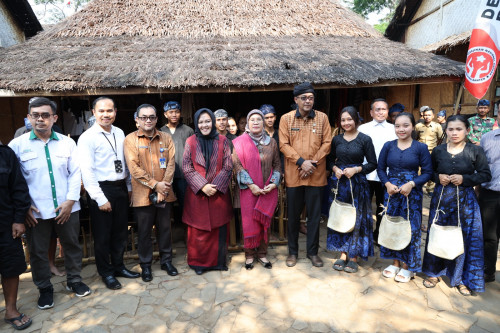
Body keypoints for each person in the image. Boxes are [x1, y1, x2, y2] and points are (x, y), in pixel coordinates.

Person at [9, 97, 91, 310]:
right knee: (37, 251)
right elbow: (12, 180)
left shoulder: (67, 142)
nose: (40, 119)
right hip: (35, 211)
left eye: (45, 115)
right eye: (35, 115)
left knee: (72, 245)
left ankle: (74, 280)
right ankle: (45, 289)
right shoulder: (16, 146)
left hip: (67, 207)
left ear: (54, 118)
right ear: (28, 118)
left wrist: (70, 200)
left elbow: (75, 174)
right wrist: (23, 206)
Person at [422, 115, 491, 296]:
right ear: (446, 131)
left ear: (467, 130)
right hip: (442, 199)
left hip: (465, 201)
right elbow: (430, 172)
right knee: (439, 234)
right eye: (451, 129)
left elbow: (485, 175)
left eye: (459, 129)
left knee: (463, 238)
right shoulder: (438, 151)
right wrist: (438, 178)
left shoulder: (475, 151)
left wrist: (465, 179)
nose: (454, 133)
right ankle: (435, 273)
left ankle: (461, 278)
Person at [78, 97, 140, 290]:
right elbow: (86, 172)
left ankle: (119, 266)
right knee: (103, 235)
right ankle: (106, 272)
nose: (106, 114)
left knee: (120, 232)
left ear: (115, 112)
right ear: (93, 112)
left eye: (110, 111)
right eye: (101, 111)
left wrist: (129, 187)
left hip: (120, 187)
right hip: (101, 189)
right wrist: (100, 198)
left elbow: (126, 163)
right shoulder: (87, 137)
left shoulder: (120, 132)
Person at [279, 82, 332, 268]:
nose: (308, 101)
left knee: (314, 217)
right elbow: (283, 145)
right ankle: (292, 252)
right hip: (295, 175)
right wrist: (302, 162)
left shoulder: (322, 118)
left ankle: (312, 252)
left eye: (310, 97)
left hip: (316, 175)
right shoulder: (286, 119)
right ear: (296, 99)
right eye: (304, 98)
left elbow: (327, 143)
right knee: (293, 216)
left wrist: (312, 163)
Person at [377, 112, 432, 283]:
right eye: (397, 126)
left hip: (411, 194)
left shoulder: (420, 148)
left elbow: (428, 172)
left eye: (405, 125)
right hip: (392, 193)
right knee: (393, 226)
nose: (401, 129)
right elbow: (380, 169)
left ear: (413, 126)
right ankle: (395, 263)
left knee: (411, 228)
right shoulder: (388, 146)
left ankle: (408, 266)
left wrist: (412, 184)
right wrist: (387, 184)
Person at [125, 104, 178, 282]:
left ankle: (166, 261)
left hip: (165, 192)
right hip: (142, 195)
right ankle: (146, 265)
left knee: (165, 229)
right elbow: (134, 168)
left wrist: (164, 186)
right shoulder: (130, 140)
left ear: (157, 119)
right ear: (137, 120)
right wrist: (156, 185)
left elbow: (171, 163)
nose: (148, 120)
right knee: (145, 232)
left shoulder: (165, 138)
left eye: (152, 117)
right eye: (144, 117)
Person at [182, 108, 233, 275]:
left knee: (218, 229)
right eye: (201, 122)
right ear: (196, 123)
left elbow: (227, 166)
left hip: (218, 194)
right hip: (198, 194)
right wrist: (203, 186)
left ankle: (219, 262)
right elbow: (186, 167)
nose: (204, 125)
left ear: (213, 122)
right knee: (198, 231)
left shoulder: (224, 141)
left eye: (207, 121)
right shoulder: (190, 141)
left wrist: (215, 186)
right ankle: (199, 264)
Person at [327, 106, 377, 273]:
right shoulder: (337, 140)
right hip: (340, 184)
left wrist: (356, 169)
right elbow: (329, 160)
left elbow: (372, 164)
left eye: (349, 119)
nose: (346, 123)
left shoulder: (365, 139)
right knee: (341, 216)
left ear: (356, 119)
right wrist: (335, 169)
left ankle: (354, 256)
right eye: (343, 120)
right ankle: (342, 253)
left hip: (358, 185)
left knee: (357, 219)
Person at [232, 109, 281, 270]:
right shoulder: (239, 142)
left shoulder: (271, 142)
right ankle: (249, 255)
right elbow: (237, 165)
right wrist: (251, 185)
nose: (255, 122)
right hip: (248, 190)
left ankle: (262, 253)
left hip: (267, 190)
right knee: (247, 221)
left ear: (263, 123)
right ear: (247, 123)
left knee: (264, 221)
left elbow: (277, 165)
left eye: (258, 119)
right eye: (252, 119)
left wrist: (273, 184)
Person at [0, 144, 32, 330]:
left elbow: (18, 187)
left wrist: (19, 219)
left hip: (5, 224)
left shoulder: (5, 154)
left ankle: (11, 310)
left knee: (10, 267)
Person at [358, 98, 397, 243]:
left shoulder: (394, 129)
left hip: (386, 176)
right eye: (377, 109)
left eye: (384, 109)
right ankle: (364, 235)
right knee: (364, 206)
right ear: (371, 112)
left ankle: (379, 235)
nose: (381, 112)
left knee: (383, 207)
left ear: (388, 112)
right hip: (366, 174)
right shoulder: (363, 129)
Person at [160, 101, 194, 226]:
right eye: (171, 112)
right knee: (165, 205)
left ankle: (186, 232)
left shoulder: (188, 131)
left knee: (185, 204)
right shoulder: (161, 131)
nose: (174, 114)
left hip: (184, 175)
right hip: (165, 176)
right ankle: (170, 233)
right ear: (165, 114)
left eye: (177, 112)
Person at [479, 110, 500, 283]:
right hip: (490, 194)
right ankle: (488, 271)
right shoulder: (487, 138)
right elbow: (480, 167)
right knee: (489, 236)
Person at [416, 107, 443, 195]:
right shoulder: (418, 126)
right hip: (420, 152)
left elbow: (440, 139)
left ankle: (430, 188)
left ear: (433, 116)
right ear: (422, 116)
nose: (427, 117)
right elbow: (415, 138)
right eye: (425, 115)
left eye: (429, 115)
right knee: (418, 170)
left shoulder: (437, 126)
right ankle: (417, 185)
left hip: (432, 151)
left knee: (431, 169)